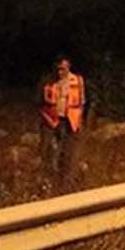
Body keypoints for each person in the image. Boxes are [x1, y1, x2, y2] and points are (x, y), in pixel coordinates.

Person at [39, 55, 86, 187]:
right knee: (50, 151)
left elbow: (82, 101)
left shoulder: (77, 80)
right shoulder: (48, 82)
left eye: (63, 69)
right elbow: (41, 101)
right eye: (58, 69)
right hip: (52, 120)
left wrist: (79, 117)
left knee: (70, 152)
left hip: (71, 120)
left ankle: (67, 180)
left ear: (68, 67)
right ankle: (49, 180)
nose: (60, 72)